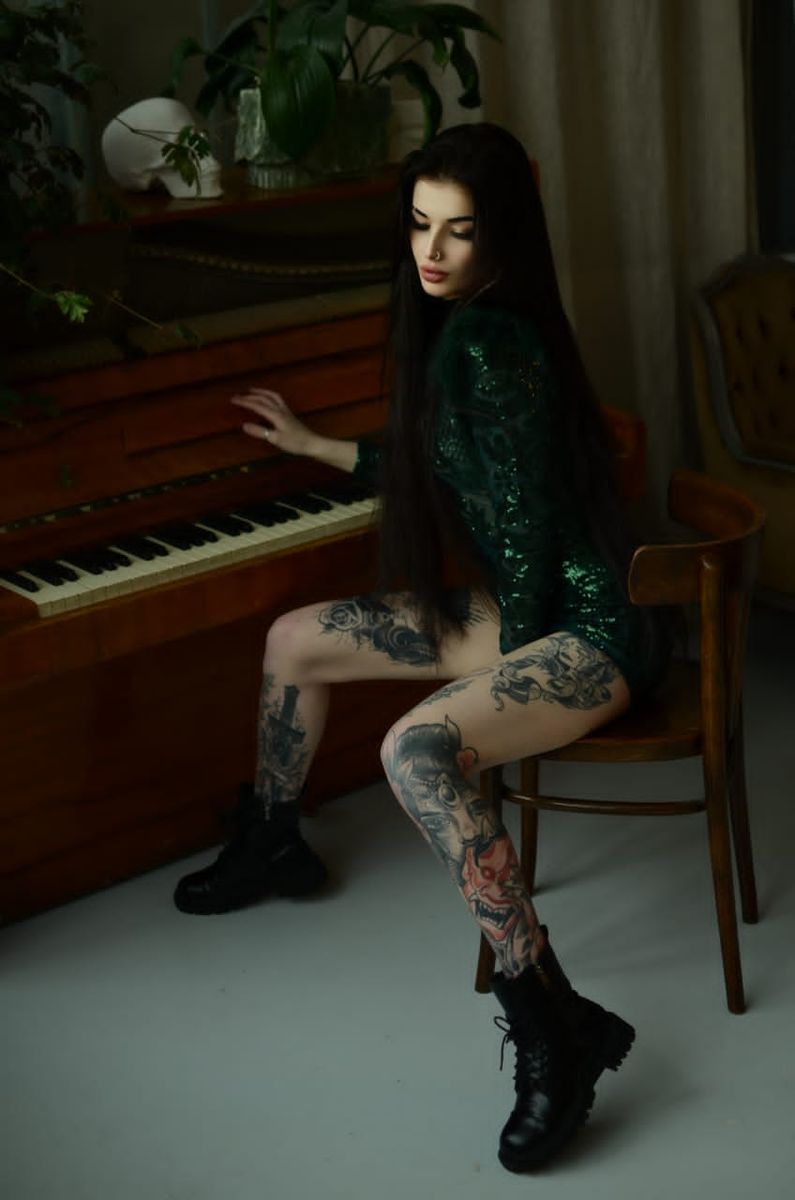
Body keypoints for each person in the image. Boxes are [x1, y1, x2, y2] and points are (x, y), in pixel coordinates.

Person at [173, 122, 682, 1172]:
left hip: (587, 629)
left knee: (413, 749)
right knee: (292, 641)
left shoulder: (493, 342)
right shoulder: (472, 328)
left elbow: (531, 524)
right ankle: (273, 839)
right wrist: (316, 445)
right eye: (418, 225)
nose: (432, 251)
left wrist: (506, 668)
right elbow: (442, 466)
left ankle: (553, 1020)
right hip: (526, 608)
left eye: (459, 231)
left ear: (502, 238)